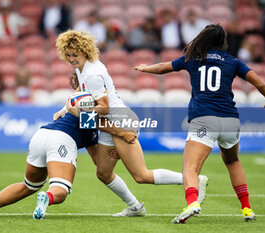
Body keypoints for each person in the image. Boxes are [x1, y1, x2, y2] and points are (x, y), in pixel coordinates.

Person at [134, 24, 265, 223]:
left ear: (204, 39)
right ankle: (247, 209)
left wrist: (144, 68)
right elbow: (260, 83)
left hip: (204, 120)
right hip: (230, 120)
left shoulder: (193, 59)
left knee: (190, 168)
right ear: (222, 42)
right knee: (233, 161)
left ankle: (192, 203)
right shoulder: (233, 61)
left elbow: (163, 68)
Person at [54, 30, 209, 217]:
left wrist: (80, 113)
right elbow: (81, 90)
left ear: (84, 52)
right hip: (110, 124)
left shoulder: (93, 73)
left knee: (141, 175)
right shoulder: (84, 67)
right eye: (68, 55)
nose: (71, 59)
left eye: (74, 55)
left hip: (120, 120)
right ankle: (136, 207)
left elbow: (103, 107)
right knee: (103, 173)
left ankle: (193, 180)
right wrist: (65, 109)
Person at [0, 97, 137, 218]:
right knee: (61, 191)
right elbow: (93, 122)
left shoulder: (85, 110)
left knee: (29, 185)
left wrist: (115, 155)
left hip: (40, 136)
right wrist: (120, 134)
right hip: (61, 140)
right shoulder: (92, 116)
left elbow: (98, 161)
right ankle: (47, 198)